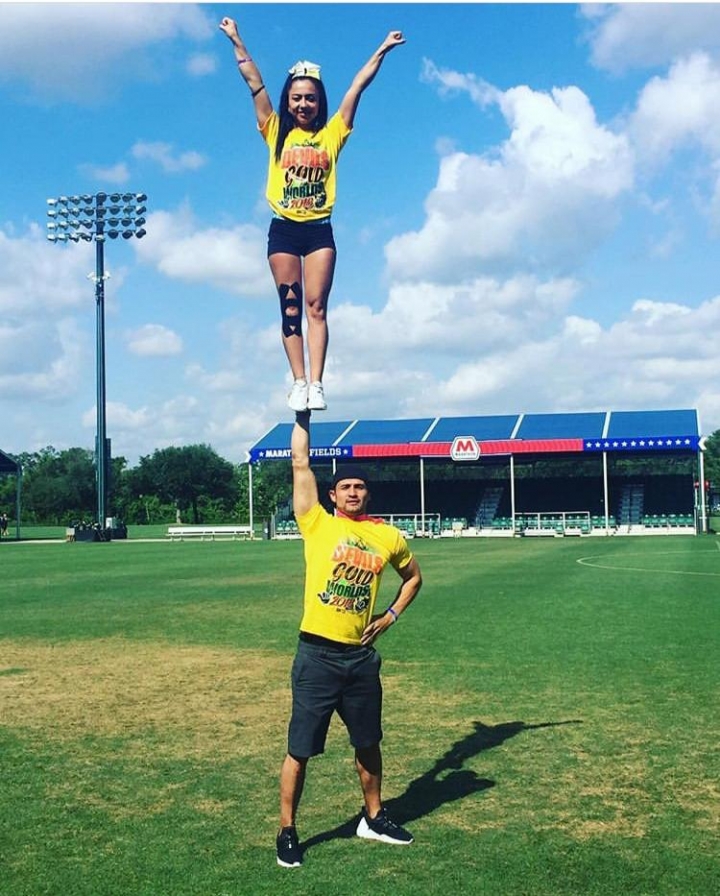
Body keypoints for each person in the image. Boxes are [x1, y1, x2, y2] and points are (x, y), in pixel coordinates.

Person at [219, 16, 405, 412]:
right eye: (297, 98)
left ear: (320, 102)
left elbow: (357, 87)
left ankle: (317, 383)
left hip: (319, 230)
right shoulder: (275, 130)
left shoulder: (332, 134)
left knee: (316, 307)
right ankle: (298, 381)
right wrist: (236, 40)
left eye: (311, 98)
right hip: (284, 230)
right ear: (288, 101)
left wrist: (382, 50)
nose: (303, 104)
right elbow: (254, 83)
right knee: (290, 307)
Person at [275, 409, 423, 868]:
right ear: (333, 494)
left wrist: (391, 615)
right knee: (300, 750)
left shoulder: (388, 536)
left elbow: (414, 578)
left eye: (359, 486)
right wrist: (302, 413)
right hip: (317, 656)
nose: (353, 492)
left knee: (368, 742)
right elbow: (300, 462)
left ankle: (373, 817)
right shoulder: (317, 522)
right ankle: (287, 831)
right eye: (345, 487)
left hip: (360, 659)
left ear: (367, 493)